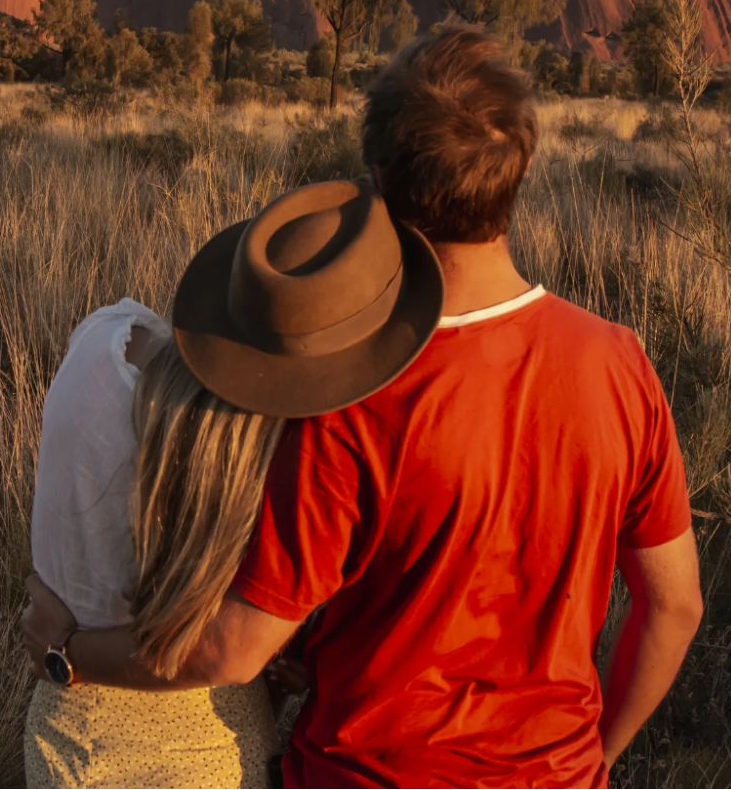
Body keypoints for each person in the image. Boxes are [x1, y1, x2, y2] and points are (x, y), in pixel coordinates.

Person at [25, 26, 702, 788]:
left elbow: (238, 648)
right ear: (519, 169)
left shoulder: (348, 400)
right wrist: (592, 758)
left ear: (377, 178)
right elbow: (672, 606)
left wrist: (70, 653)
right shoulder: (621, 363)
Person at [25, 172, 446, 789]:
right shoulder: (278, 470)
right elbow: (239, 649)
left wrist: (64, 647)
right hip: (214, 748)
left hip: (64, 734)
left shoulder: (101, 339)